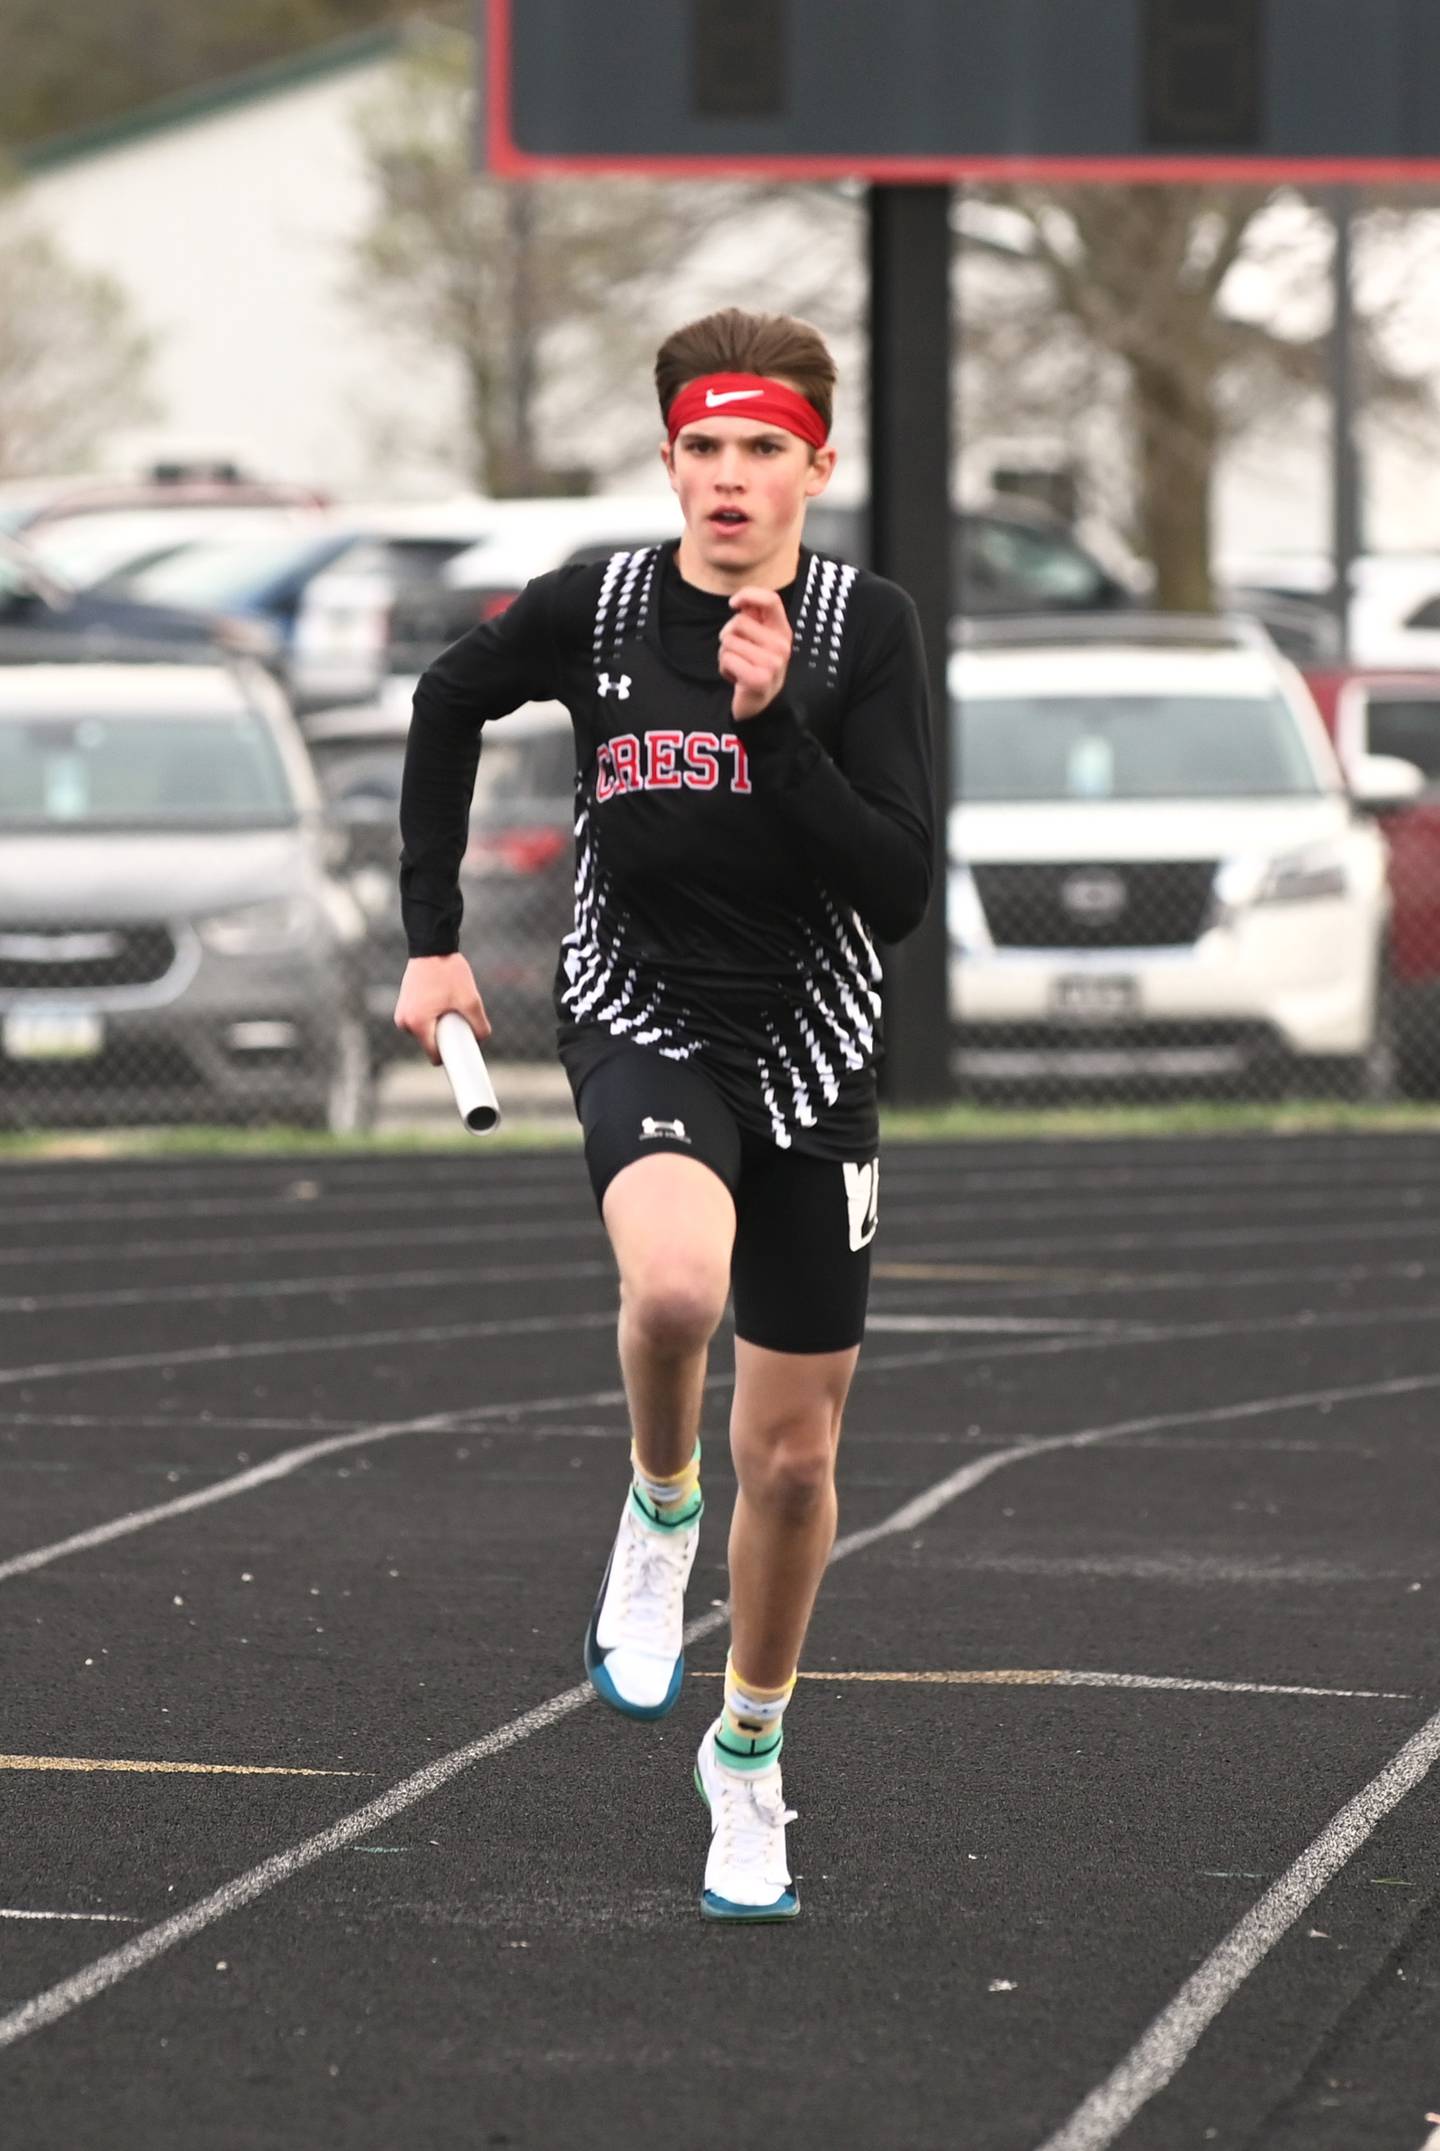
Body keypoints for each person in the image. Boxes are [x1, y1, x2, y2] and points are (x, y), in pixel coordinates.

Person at [394, 307, 934, 1920]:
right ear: (669, 459)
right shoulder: (598, 607)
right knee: (679, 1291)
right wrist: (432, 940)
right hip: (643, 1012)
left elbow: (897, 887)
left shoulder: (864, 628)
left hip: (815, 1048)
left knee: (796, 1458)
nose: (729, 476)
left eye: (764, 448)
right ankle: (657, 1504)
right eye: (704, 447)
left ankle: (748, 1750)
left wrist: (777, 733)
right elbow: (444, 699)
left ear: (815, 467)